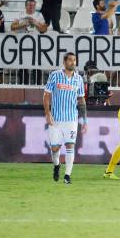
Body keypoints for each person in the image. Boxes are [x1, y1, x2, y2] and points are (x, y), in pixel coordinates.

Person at [43, 52, 87, 184]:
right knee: (55, 148)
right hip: (55, 119)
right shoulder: (55, 75)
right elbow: (46, 95)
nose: (73, 62)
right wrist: (47, 113)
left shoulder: (78, 79)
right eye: (70, 60)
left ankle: (67, 175)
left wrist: (84, 120)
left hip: (71, 119)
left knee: (70, 145)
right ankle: (56, 165)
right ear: (64, 62)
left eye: (74, 60)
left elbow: (81, 100)